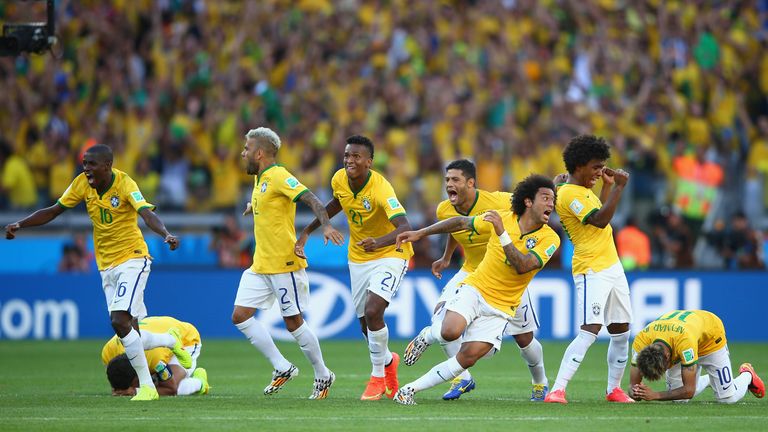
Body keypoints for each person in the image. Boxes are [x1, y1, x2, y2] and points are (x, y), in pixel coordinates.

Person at [5, 143, 184, 401]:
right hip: (106, 266)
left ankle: (147, 387)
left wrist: (166, 234)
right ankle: (169, 340)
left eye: (91, 164)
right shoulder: (81, 184)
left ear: (107, 166)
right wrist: (20, 224)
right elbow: (54, 211)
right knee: (129, 331)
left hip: (133, 259)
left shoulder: (125, 184)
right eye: (84, 163)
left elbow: (145, 213)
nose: (86, 168)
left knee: (119, 320)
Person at [392, 174, 560, 405]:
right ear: (529, 202)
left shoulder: (550, 238)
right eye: (546, 198)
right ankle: (428, 335)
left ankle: (409, 389)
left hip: (503, 306)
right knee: (449, 331)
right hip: (476, 288)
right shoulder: (503, 217)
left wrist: (501, 234)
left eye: (553, 200)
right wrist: (421, 233)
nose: (551, 204)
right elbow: (461, 223)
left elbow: (522, 266)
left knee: (472, 356)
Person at [296, 135, 414, 401]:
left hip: (390, 253)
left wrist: (379, 241)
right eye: (347, 155)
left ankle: (377, 377)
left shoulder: (382, 189)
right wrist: (308, 230)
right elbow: (337, 203)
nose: (350, 160)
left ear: (369, 162)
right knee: (365, 324)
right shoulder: (338, 179)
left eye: (356, 156)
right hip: (359, 257)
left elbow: (406, 227)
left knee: (374, 311)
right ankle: (388, 362)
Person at [233, 127, 344, 400]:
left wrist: (326, 226)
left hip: (284, 263)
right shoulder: (260, 180)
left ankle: (322, 374)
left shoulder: (280, 176)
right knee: (240, 316)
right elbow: (269, 205)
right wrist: (253, 207)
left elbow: (312, 199)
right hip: (260, 265)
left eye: (247, 149)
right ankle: (282, 367)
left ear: (259, 153)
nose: (243, 153)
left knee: (293, 323)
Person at [545, 134, 634, 404]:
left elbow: (600, 215)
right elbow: (598, 221)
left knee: (621, 330)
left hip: (612, 265)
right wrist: (619, 187)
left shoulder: (583, 192)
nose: (599, 172)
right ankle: (557, 389)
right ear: (579, 165)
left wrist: (607, 188)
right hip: (591, 268)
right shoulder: (570, 194)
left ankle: (614, 389)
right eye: (596, 167)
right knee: (590, 329)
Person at [630, 310, 765, 403]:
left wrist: (655, 395)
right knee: (679, 399)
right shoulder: (641, 341)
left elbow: (689, 390)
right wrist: (636, 392)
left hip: (710, 339)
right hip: (683, 337)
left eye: (664, 368)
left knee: (727, 399)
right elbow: (632, 386)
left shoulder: (685, 343)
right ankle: (710, 379)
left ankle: (747, 375)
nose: (666, 371)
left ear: (667, 357)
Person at [103, 316, 209, 397]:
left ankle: (200, 383)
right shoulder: (108, 353)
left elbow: (171, 389)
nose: (137, 385)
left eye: (136, 383)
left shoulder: (154, 359)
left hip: (185, 339)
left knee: (177, 384)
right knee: (153, 382)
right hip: (158, 328)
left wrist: (135, 391)